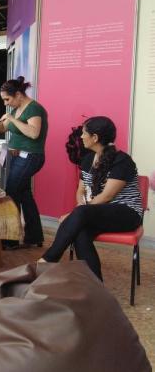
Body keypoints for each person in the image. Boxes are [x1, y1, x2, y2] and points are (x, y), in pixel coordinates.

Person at [39, 117, 143, 280]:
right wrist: (80, 207)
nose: (81, 137)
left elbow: (106, 196)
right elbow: (80, 190)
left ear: (95, 138)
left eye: (84, 133)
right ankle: (95, 285)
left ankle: (48, 259)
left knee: (81, 215)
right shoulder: (88, 159)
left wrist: (78, 212)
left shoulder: (122, 161)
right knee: (81, 232)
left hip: (127, 213)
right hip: (96, 212)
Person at [0, 76, 48, 250]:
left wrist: (12, 118)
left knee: (11, 193)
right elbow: (4, 127)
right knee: (24, 194)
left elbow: (33, 133)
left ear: (18, 94)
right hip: (17, 156)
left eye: (7, 99)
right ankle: (34, 237)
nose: (5, 103)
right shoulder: (16, 109)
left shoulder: (34, 108)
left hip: (30, 157)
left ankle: (10, 239)